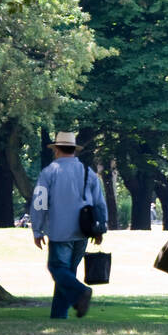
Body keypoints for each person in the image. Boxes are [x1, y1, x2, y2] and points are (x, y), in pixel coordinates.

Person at [31, 131, 106, 319]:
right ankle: (58, 316)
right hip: (83, 230)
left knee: (57, 268)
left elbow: (39, 203)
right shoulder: (88, 172)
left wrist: (37, 229)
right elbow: (99, 203)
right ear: (74, 150)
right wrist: (100, 229)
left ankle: (81, 292)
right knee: (67, 274)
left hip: (59, 230)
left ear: (56, 150)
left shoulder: (49, 172)